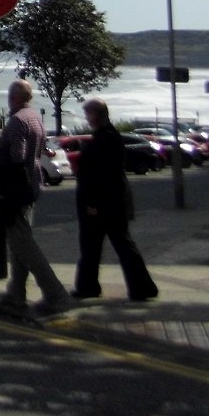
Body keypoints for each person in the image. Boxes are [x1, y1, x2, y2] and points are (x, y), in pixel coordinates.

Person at [72, 98, 158, 301]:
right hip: (112, 202)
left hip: (104, 203)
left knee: (97, 246)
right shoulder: (109, 136)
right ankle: (140, 287)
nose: (86, 117)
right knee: (114, 245)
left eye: (88, 113)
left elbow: (102, 175)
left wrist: (93, 203)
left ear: (96, 115)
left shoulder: (105, 139)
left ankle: (91, 287)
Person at [0, 79, 69, 314]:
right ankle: (16, 293)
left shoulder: (17, 121)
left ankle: (56, 294)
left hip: (16, 188)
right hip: (32, 184)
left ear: (13, 97)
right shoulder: (35, 117)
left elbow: (16, 157)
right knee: (19, 240)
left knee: (22, 243)